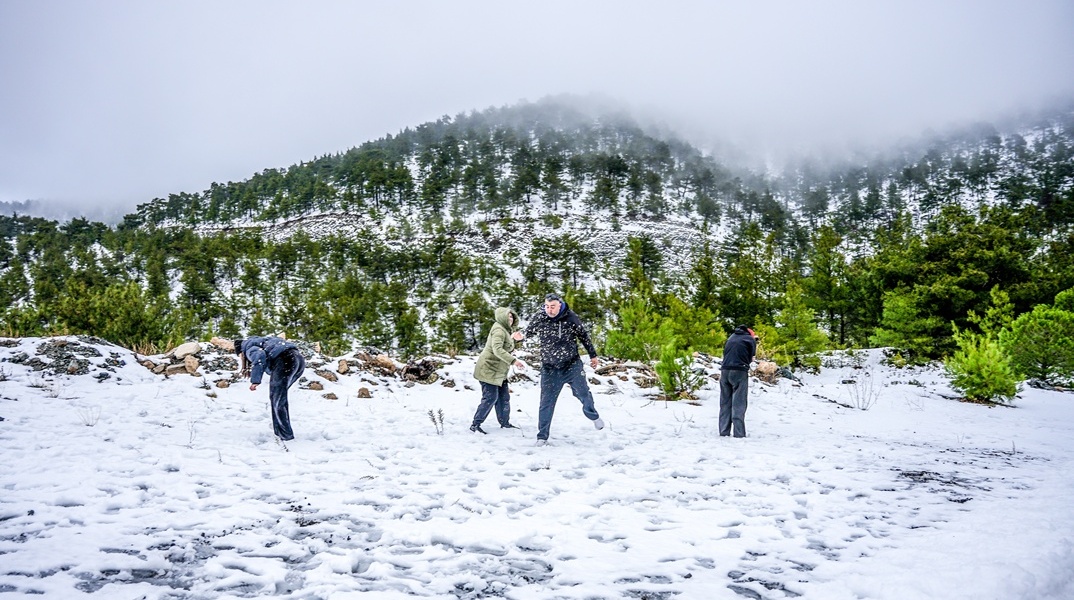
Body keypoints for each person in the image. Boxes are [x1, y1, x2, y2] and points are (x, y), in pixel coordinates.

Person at [517, 293, 604, 445]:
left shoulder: (570, 317)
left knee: (582, 393)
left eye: (553, 307)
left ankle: (593, 415)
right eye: (547, 306)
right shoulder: (540, 317)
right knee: (546, 402)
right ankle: (542, 437)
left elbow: (583, 336)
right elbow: (528, 332)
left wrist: (593, 355)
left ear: (560, 305)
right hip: (549, 367)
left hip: (572, 365)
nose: (549, 310)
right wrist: (521, 336)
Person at [234, 336, 306, 441]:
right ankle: (280, 429)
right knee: (279, 397)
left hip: (285, 360)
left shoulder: (248, 347)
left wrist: (255, 380)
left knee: (277, 399)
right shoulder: (262, 341)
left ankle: (285, 434)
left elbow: (259, 357)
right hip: (298, 360)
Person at [470, 307, 526, 434]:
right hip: (488, 369)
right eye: (508, 317)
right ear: (502, 317)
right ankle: (475, 424)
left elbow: (505, 346)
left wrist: (514, 341)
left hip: (499, 371)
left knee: (503, 397)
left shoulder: (506, 330)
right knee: (490, 398)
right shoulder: (499, 330)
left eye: (512, 317)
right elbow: (497, 349)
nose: (510, 319)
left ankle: (505, 423)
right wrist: (514, 361)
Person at [719, 325, 757, 438]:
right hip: (739, 371)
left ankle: (723, 431)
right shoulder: (750, 339)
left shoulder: (731, 337)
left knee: (725, 402)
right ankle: (739, 433)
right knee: (739, 403)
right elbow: (752, 356)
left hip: (725, 371)